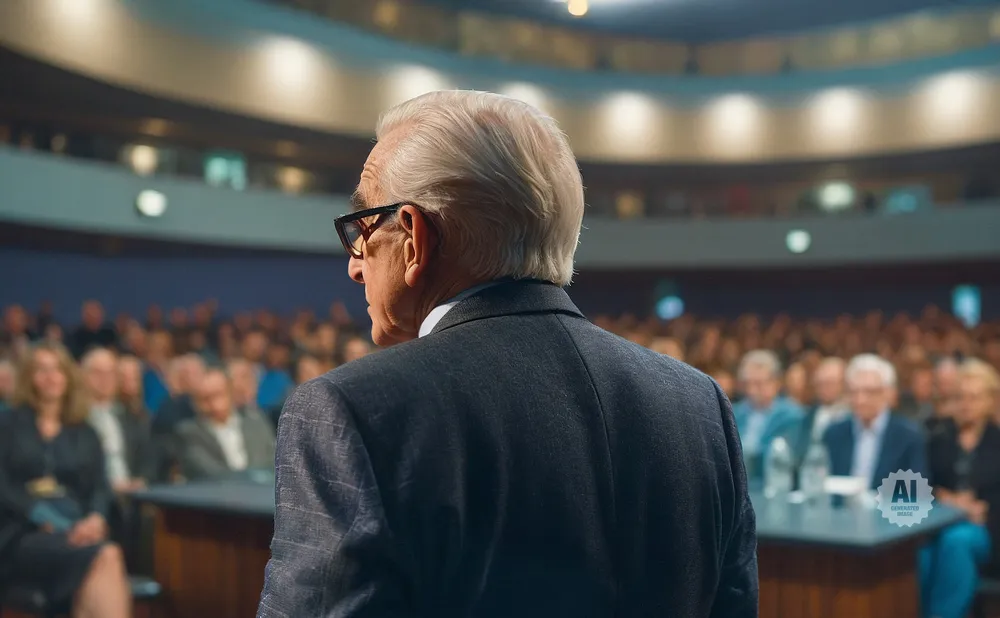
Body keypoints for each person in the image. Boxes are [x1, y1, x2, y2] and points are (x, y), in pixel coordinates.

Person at [258, 91, 757, 617]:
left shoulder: (355, 412)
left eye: (363, 229)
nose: (355, 267)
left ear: (413, 237)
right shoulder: (699, 405)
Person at [0, 342, 131, 617]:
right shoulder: (8, 426)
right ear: (29, 378)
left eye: (58, 369)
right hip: (22, 532)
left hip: (77, 528)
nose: (51, 377)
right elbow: (4, 487)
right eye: (42, 370)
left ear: (68, 377)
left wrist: (96, 517)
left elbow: (99, 486)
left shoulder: (85, 432)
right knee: (106, 556)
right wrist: (42, 517)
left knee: (105, 557)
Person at [922, 359, 1000, 618]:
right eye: (960, 397)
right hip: (938, 523)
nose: (966, 404)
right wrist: (945, 498)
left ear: (990, 400)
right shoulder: (937, 437)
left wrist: (982, 508)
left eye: (974, 397)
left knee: (956, 542)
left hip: (987, 527)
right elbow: (922, 482)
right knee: (921, 549)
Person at [823, 354, 928, 490]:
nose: (860, 400)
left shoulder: (908, 437)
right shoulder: (834, 433)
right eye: (854, 392)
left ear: (887, 393)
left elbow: (915, 494)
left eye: (870, 392)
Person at [176, 369, 275, 481]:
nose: (214, 404)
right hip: (216, 495)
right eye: (205, 399)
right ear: (195, 404)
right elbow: (207, 472)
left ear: (230, 393)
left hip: (261, 493)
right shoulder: (189, 433)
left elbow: (273, 462)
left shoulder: (256, 423)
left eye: (218, 395)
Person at [732, 350, 805, 483]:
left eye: (758, 384)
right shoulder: (734, 412)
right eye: (747, 384)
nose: (752, 390)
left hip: (771, 483)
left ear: (775, 383)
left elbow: (781, 457)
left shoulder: (791, 415)